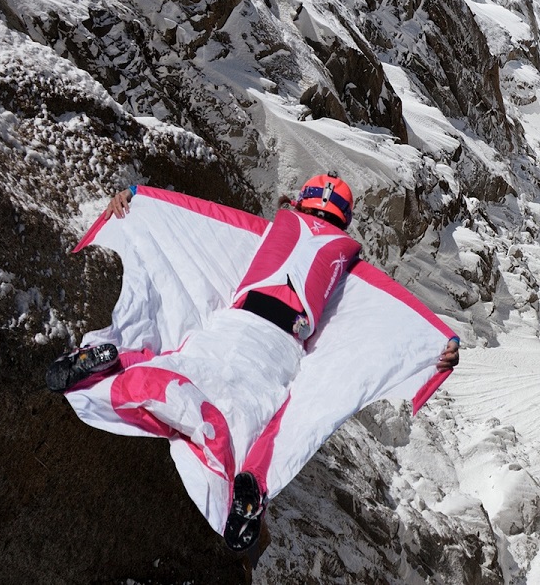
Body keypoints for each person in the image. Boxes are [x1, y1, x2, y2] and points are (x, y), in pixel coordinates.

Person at [47, 174, 460, 552]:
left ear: (299, 203)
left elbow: (198, 215)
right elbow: (395, 311)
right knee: (268, 421)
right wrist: (441, 345)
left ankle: (118, 361)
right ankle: (253, 485)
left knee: (181, 360)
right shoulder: (349, 266)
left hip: (235, 321)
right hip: (279, 346)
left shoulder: (266, 233)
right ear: (344, 219)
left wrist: (135, 199)